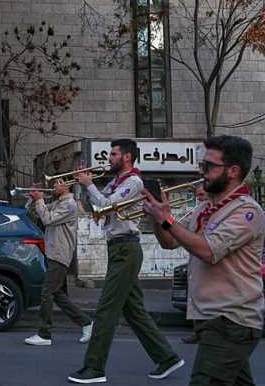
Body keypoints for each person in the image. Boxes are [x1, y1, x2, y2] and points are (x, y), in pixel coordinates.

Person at [143, 135, 264, 385]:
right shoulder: (205, 209)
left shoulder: (247, 211)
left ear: (233, 171)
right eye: (202, 165)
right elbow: (170, 241)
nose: (202, 172)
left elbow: (209, 251)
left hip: (232, 320)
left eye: (209, 166)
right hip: (212, 319)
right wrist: (157, 216)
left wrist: (167, 219)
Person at [68, 139, 183, 384]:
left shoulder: (133, 182)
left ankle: (94, 368)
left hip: (126, 249)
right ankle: (167, 358)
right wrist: (84, 185)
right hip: (118, 248)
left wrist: (89, 184)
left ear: (127, 157)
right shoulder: (116, 182)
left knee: (106, 309)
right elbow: (95, 206)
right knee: (134, 311)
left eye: (113, 154)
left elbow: (108, 205)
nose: (109, 158)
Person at [24, 179, 93, 346]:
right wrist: (33, 199)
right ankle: (86, 322)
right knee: (57, 294)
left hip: (60, 254)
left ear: (67, 186)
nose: (54, 186)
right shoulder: (58, 203)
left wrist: (40, 199)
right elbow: (33, 214)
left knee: (47, 292)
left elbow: (47, 219)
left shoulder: (69, 204)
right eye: (54, 183)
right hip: (53, 253)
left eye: (58, 183)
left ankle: (44, 334)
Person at [180, 184, 207, 345]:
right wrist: (163, 218)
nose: (199, 198)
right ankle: (198, 331)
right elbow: (176, 228)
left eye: (202, 195)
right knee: (195, 294)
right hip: (196, 258)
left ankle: (205, 332)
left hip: (209, 258)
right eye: (198, 196)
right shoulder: (196, 212)